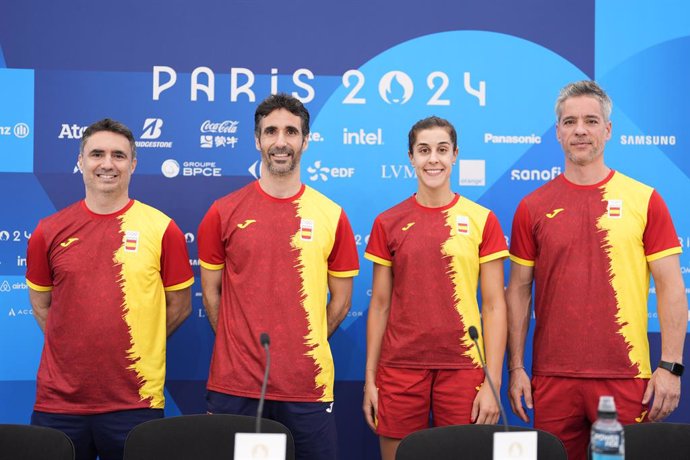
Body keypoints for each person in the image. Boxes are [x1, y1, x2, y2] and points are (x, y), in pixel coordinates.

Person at [506, 80, 687, 460]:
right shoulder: (532, 206)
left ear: (608, 129)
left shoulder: (645, 200)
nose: (580, 130)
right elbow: (519, 290)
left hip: (625, 376)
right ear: (557, 132)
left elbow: (671, 287)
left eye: (591, 120)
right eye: (570, 122)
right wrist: (517, 368)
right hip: (552, 379)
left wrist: (670, 366)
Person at [197, 93, 359, 460]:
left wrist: (303, 344)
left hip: (308, 385)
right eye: (271, 132)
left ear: (305, 140)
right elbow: (210, 294)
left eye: (291, 131)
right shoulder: (222, 212)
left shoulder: (331, 215)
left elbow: (343, 300)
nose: (281, 141)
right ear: (257, 140)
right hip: (235, 387)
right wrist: (238, 347)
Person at [25, 118, 194, 460]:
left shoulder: (163, 229)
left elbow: (179, 305)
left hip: (136, 402)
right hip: (59, 404)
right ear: (80, 161)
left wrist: (139, 344)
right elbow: (43, 305)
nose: (107, 164)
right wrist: (72, 348)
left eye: (118, 155)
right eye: (96, 154)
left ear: (132, 164)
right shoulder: (49, 231)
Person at [362, 116, 509, 460]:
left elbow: (494, 306)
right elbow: (380, 305)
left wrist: (493, 381)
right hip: (399, 368)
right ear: (410, 157)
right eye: (424, 150)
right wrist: (371, 378)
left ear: (455, 155)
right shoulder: (387, 222)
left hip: (464, 368)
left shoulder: (481, 219)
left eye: (442, 150)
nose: (433, 159)